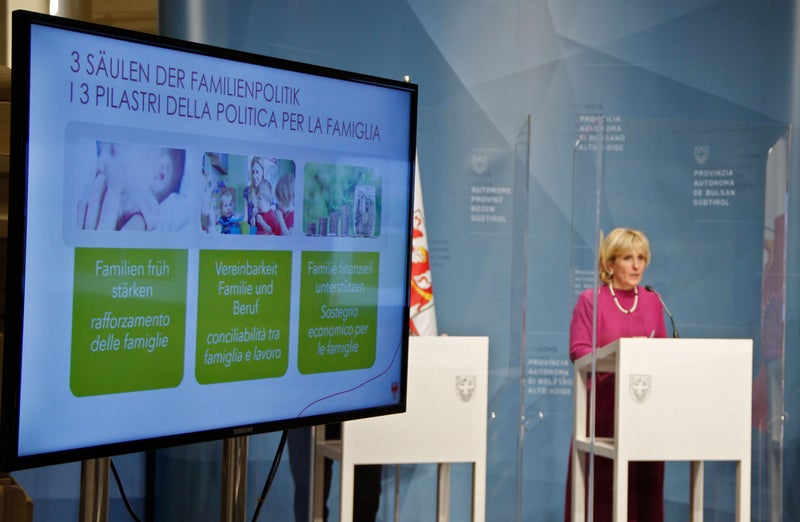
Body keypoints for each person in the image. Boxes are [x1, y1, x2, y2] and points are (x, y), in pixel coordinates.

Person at [564, 227, 667, 522]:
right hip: (603, 410)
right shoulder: (591, 299)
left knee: (643, 496)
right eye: (627, 258)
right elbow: (579, 350)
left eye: (641, 258)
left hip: (644, 411)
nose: (636, 266)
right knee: (603, 495)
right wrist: (622, 352)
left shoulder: (652, 300)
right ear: (610, 263)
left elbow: (663, 351)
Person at [76, 141, 187, 231]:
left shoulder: (173, 220)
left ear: (160, 175)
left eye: (113, 151)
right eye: (100, 152)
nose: (99, 164)